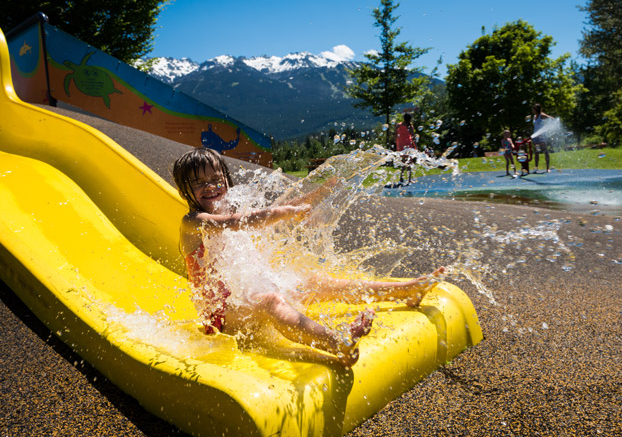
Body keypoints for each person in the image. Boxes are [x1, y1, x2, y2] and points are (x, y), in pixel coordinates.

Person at [172, 147, 445, 366]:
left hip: (246, 293)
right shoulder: (194, 222)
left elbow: (269, 212)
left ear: (226, 178)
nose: (210, 186)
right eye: (199, 182)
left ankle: (408, 290)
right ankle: (338, 343)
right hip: (221, 316)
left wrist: (308, 201)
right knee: (271, 300)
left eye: (216, 178)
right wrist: (279, 214)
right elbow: (239, 221)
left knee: (314, 281)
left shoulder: (232, 204)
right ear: (186, 190)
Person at [395, 113, 417, 185]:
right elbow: (413, 137)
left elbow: (395, 135)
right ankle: (409, 179)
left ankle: (401, 178)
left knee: (403, 161)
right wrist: (415, 146)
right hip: (408, 145)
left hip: (401, 145)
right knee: (409, 162)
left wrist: (397, 144)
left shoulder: (398, 125)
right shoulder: (410, 126)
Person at [531, 103, 554, 173]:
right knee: (537, 152)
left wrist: (547, 127)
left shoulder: (542, 115)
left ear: (536, 109)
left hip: (542, 136)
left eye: (533, 109)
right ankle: (536, 168)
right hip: (536, 136)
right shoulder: (534, 116)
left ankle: (547, 168)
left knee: (545, 151)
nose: (532, 110)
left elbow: (552, 119)